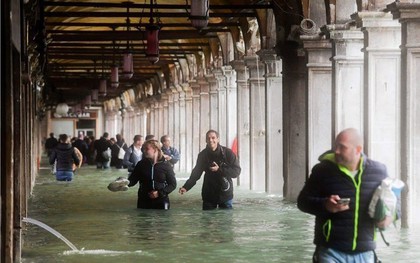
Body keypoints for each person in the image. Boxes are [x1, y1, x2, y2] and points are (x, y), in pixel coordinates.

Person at [297, 128, 389, 263]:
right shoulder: (322, 170)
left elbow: (393, 203)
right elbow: (303, 202)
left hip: (365, 253)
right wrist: (325, 205)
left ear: (358, 149)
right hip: (330, 251)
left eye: (342, 147)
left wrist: (388, 218)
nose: (337, 151)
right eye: (336, 146)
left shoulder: (378, 171)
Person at [179, 130, 241, 210]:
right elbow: (196, 173)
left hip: (225, 194)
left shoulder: (228, 153)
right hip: (209, 193)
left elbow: (236, 172)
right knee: (207, 221)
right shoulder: (202, 155)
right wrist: (186, 187)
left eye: (213, 138)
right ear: (206, 140)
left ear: (218, 139)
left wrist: (220, 169)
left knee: (226, 221)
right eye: (208, 138)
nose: (211, 140)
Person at [128, 140, 177, 209]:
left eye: (147, 149)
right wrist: (123, 184)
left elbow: (172, 184)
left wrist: (159, 193)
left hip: (161, 200)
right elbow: (132, 180)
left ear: (155, 149)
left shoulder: (166, 165)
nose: (144, 151)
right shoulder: (141, 164)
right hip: (144, 200)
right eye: (143, 148)